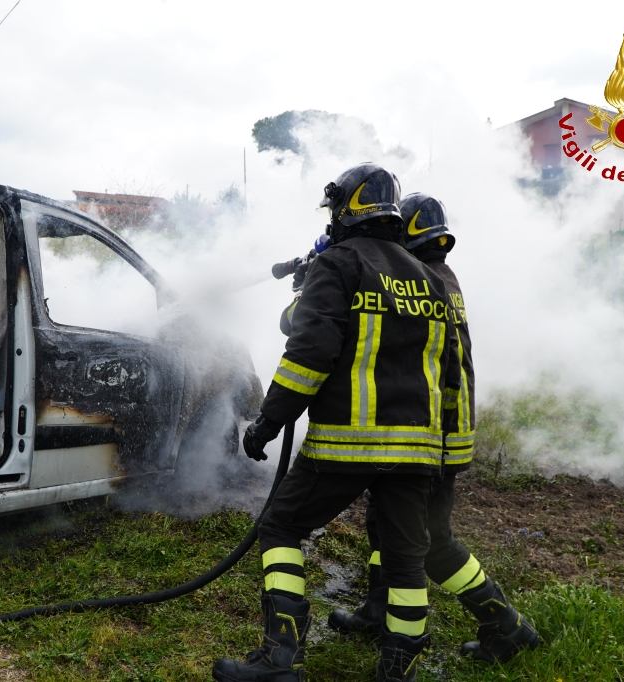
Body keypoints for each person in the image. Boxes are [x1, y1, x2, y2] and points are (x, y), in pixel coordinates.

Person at [212, 164, 460, 682]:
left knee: (281, 526)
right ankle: (398, 671)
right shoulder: (428, 277)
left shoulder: (341, 265)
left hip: (347, 444)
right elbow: (447, 371)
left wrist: (267, 422)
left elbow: (309, 355)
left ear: (346, 208)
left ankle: (282, 657)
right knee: (405, 558)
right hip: (417, 449)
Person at [326, 192, 541, 664]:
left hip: (433, 436)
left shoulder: (425, 284)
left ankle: (506, 627)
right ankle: (379, 609)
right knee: (385, 525)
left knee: (431, 543)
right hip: (437, 430)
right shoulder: (441, 277)